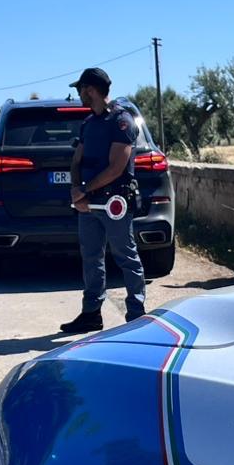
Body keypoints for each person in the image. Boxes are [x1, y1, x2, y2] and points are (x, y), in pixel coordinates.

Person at [60, 66, 146, 333]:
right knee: (91, 257)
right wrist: (77, 190)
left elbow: (116, 167)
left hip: (113, 203)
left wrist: (84, 190)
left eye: (80, 89)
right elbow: (77, 160)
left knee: (126, 256)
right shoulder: (89, 123)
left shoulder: (121, 121)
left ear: (91, 90)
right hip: (89, 204)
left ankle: (136, 317)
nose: (79, 94)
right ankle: (91, 314)